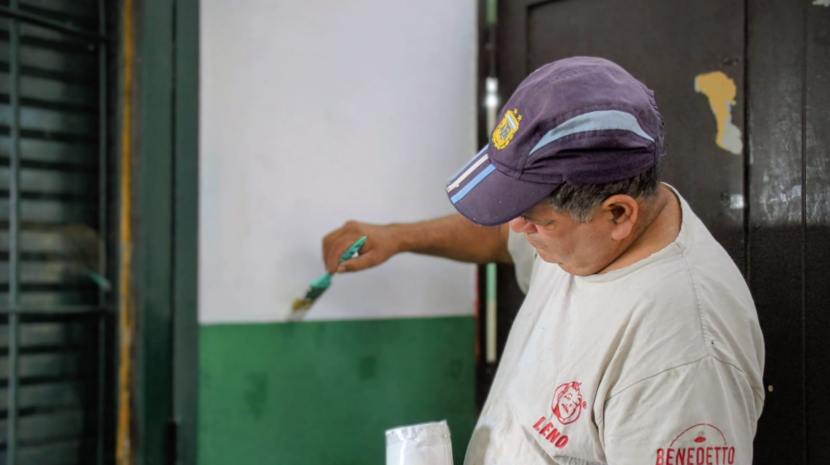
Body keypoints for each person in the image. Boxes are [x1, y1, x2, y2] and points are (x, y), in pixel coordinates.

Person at [322, 57, 764, 465]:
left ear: (618, 214)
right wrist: (397, 237)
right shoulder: (587, 233)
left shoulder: (682, 355)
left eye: (534, 219)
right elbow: (502, 235)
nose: (517, 228)